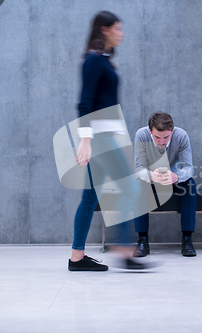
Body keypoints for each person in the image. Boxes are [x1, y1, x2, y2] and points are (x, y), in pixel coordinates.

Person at [68, 11, 147, 271]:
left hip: (105, 137)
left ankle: (76, 258)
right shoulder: (93, 61)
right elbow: (84, 102)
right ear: (104, 29)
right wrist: (86, 141)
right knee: (131, 189)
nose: (121, 33)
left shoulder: (103, 60)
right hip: (100, 139)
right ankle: (125, 252)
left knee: (90, 198)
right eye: (118, 28)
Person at [130, 112, 197, 257]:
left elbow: (188, 167)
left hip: (173, 178)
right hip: (151, 178)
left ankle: (187, 239)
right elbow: (139, 169)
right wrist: (151, 176)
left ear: (172, 131)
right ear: (150, 131)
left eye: (166, 137)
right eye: (157, 137)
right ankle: (142, 240)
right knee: (138, 185)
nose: (162, 141)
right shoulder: (141, 135)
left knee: (190, 186)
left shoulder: (181, 135)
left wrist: (176, 176)